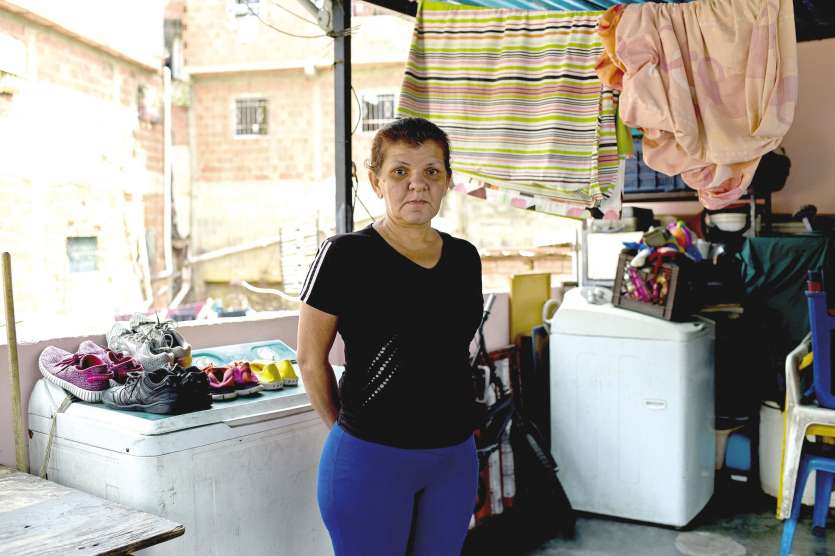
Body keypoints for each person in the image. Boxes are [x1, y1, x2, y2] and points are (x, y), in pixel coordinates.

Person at [296, 117, 484, 556]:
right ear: (376, 182)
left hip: (453, 459)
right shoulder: (345, 256)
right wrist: (351, 432)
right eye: (400, 172)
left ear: (447, 183)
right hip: (371, 460)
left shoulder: (464, 258)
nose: (417, 185)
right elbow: (310, 359)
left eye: (431, 172)